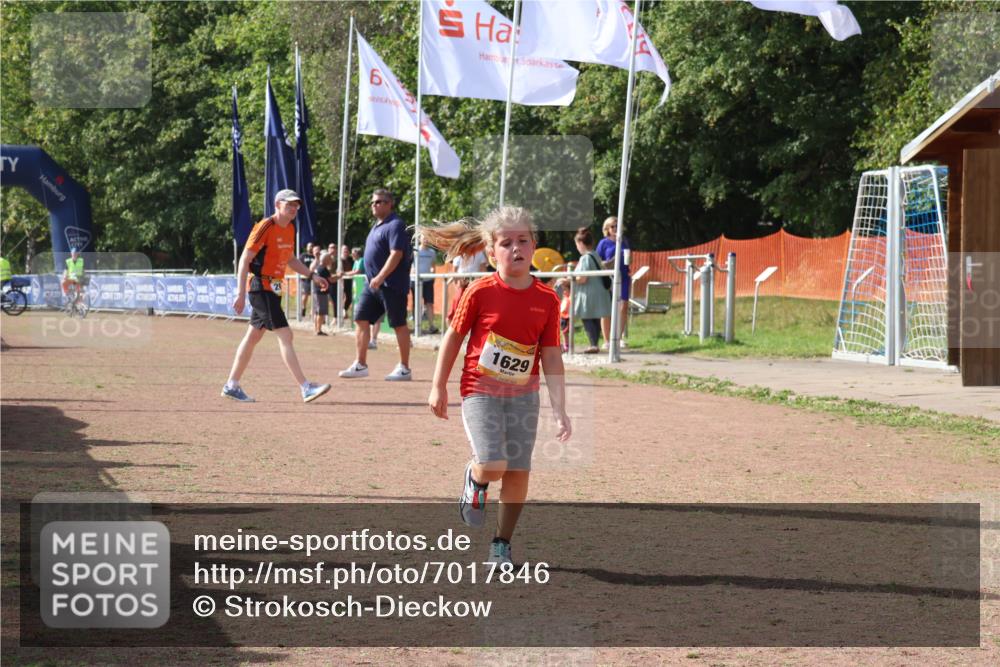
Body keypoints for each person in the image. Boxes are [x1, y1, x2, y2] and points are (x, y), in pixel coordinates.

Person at [425, 207, 571, 566]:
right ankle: (476, 479)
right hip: (480, 390)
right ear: (491, 253)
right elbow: (453, 338)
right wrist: (437, 386)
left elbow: (552, 356)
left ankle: (501, 544)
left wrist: (560, 409)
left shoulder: (547, 299)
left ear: (535, 245)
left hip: (523, 395)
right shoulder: (479, 291)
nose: (516, 248)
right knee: (493, 464)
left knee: (518, 472)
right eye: (506, 243)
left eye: (523, 240)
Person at [222, 189, 332, 404]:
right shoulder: (265, 226)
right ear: (277, 204)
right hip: (260, 286)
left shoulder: (290, 228)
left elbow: (290, 259)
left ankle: (232, 385)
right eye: (289, 204)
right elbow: (245, 259)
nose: (293, 208)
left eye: (296, 205)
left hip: (273, 288)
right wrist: (241, 293)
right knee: (286, 335)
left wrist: (312, 275)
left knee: (253, 337)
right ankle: (306, 387)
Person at [339, 188, 413, 381]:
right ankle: (360, 364)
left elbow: (396, 254)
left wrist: (380, 277)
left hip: (391, 285)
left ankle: (405, 368)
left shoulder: (396, 225)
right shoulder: (375, 227)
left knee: (398, 324)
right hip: (372, 286)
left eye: (379, 202)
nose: (375, 205)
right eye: (373, 202)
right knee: (360, 318)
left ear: (390, 204)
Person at [561, 227, 611, 354]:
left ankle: (593, 345)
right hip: (600, 292)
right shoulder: (595, 255)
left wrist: (569, 279)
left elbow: (582, 278)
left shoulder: (585, 258)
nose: (577, 247)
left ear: (581, 243)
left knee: (587, 317)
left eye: (577, 244)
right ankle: (594, 344)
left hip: (588, 294)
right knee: (595, 318)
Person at [596, 216, 631, 348]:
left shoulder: (624, 241)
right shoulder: (603, 243)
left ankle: (619, 337)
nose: (616, 228)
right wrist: (612, 260)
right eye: (613, 226)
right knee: (607, 308)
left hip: (624, 277)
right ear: (607, 229)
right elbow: (599, 262)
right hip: (609, 278)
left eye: (618, 226)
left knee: (623, 306)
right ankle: (607, 340)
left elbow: (628, 259)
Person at [446, 245, 489, 323]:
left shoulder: (479, 253)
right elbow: (454, 274)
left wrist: (477, 282)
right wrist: (458, 283)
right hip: (462, 286)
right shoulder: (458, 255)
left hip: (476, 286)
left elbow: (484, 272)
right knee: (456, 307)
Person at [412, 237, 439, 334]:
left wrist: (433, 275)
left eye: (427, 239)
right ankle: (416, 326)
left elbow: (433, 265)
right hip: (416, 280)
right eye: (424, 238)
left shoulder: (432, 252)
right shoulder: (415, 250)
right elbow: (409, 264)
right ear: (420, 239)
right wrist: (412, 271)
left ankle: (432, 325)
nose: (426, 240)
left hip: (428, 280)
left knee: (429, 303)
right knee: (417, 303)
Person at [310, 248, 334, 336]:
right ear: (326, 260)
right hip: (321, 293)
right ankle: (318, 330)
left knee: (317, 311)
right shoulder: (324, 269)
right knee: (321, 312)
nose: (331, 260)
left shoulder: (318, 268)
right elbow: (331, 280)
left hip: (317, 292)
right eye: (329, 259)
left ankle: (317, 329)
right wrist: (339, 276)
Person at [298, 242, 314, 318]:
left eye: (312, 246)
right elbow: (299, 265)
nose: (311, 248)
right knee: (305, 295)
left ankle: (312, 311)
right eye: (309, 246)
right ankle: (303, 308)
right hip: (305, 279)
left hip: (314, 279)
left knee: (314, 296)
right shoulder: (303, 256)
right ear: (307, 247)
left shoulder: (315, 256)